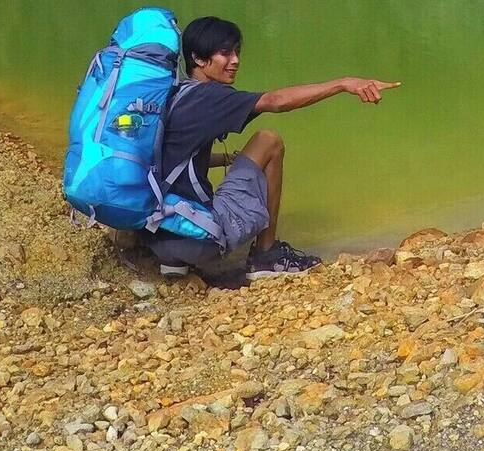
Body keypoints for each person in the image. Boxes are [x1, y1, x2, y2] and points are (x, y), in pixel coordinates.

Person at [136, 16, 399, 285]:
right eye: (225, 53)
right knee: (268, 141)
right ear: (199, 59)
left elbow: (176, 158)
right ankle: (266, 255)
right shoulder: (209, 97)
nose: (235, 60)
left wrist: (226, 159)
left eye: (237, 51)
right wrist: (343, 84)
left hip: (156, 234)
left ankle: (175, 266)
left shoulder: (172, 95)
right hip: (196, 243)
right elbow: (275, 101)